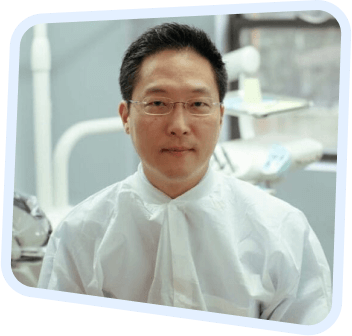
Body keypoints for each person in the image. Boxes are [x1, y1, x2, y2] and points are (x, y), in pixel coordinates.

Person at [37, 22, 332, 325]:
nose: (179, 124)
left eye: (198, 104)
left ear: (219, 116)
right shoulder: (80, 235)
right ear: (126, 117)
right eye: (158, 103)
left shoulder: (282, 231)